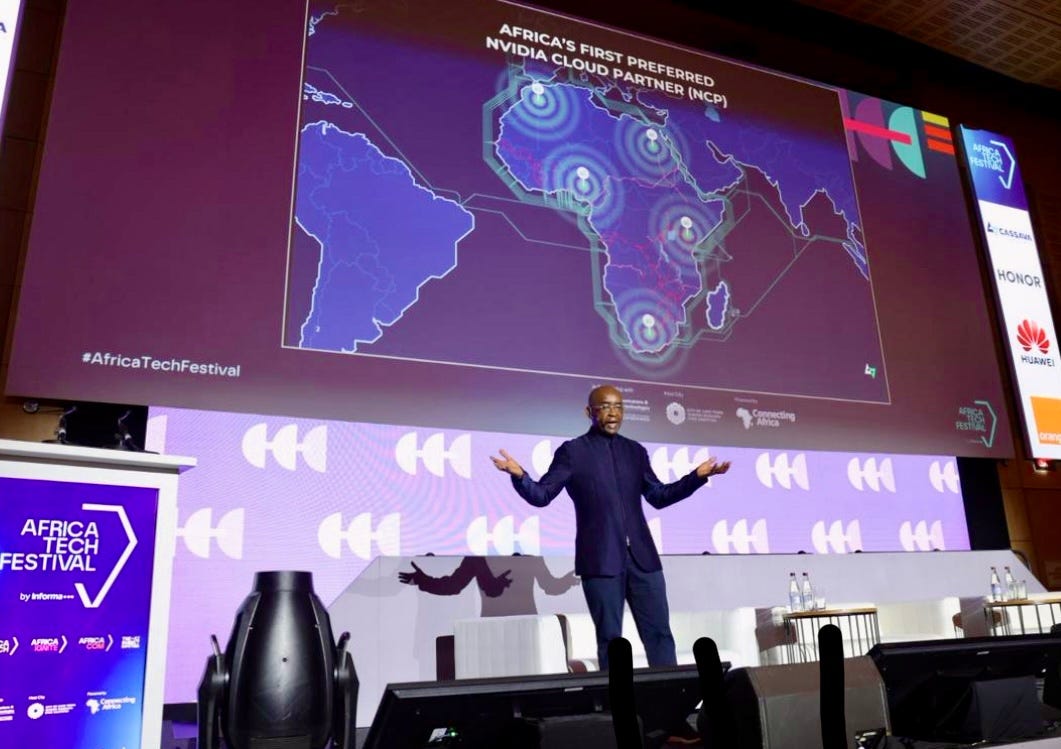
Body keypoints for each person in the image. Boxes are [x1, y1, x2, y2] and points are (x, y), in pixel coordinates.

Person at [490, 384, 730, 669]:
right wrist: (520, 476)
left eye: (618, 407)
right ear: (589, 412)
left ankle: (669, 695)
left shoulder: (635, 451)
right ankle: (617, 697)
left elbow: (659, 496)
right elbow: (542, 495)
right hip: (600, 562)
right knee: (611, 641)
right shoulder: (573, 452)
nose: (613, 413)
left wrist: (696, 477)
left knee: (660, 636)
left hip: (644, 560)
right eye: (605, 407)